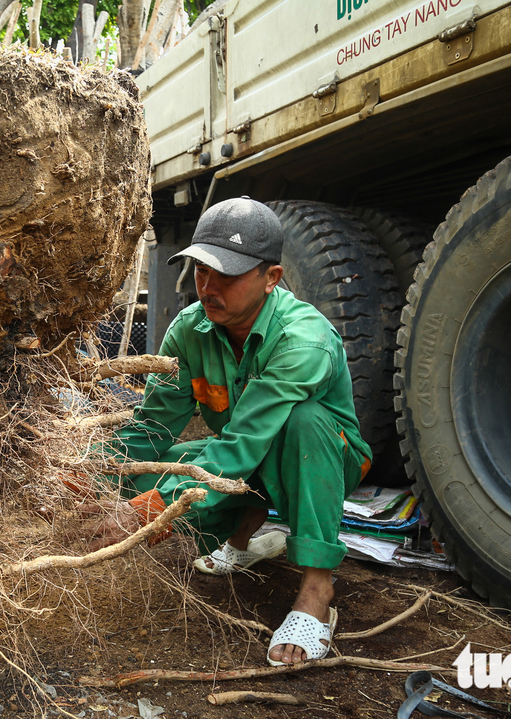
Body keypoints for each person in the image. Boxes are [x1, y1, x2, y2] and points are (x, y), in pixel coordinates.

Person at [80, 197, 371, 666]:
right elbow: (153, 427)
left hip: (324, 459)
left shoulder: (303, 339)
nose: (208, 288)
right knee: (146, 476)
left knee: (302, 422)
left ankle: (317, 592)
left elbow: (243, 443)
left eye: (227, 276)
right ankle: (242, 540)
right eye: (200, 271)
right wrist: (91, 471)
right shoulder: (190, 330)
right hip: (241, 453)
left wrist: (149, 512)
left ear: (271, 278)